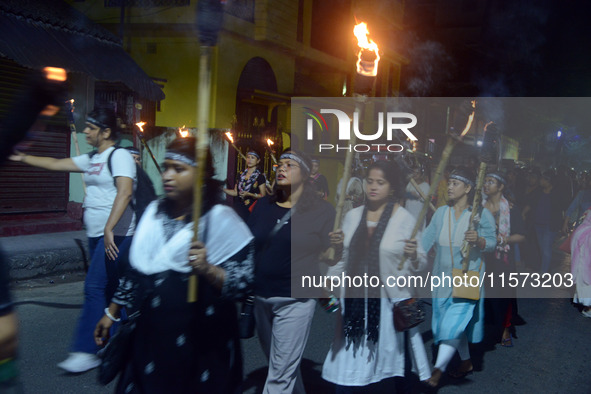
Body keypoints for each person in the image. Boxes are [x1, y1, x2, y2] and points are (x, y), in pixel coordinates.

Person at [95, 137, 253, 393]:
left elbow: (245, 283)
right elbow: (137, 269)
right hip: (152, 337)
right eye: (166, 167)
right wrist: (111, 312)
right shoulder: (153, 213)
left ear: (201, 175)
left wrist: (209, 270)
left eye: (179, 169)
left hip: (202, 342)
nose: (167, 175)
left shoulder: (221, 220)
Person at [9, 106, 136, 373]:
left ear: (106, 131)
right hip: (96, 234)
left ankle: (86, 350)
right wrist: (23, 158)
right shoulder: (92, 158)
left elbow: (125, 193)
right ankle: (125, 334)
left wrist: (110, 227)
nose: (86, 131)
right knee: (112, 289)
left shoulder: (120, 155)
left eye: (91, 127)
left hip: (116, 234)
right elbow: (56, 164)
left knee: (93, 287)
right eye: (86, 127)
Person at [321, 160, 432, 392]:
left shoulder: (404, 220)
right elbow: (344, 257)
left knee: (379, 373)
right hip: (352, 303)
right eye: (369, 181)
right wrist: (330, 280)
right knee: (345, 368)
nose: (373, 187)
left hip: (385, 306)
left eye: (380, 182)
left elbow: (421, 264)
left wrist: (413, 256)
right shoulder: (352, 216)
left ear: (391, 187)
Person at [248, 149, 338, 394]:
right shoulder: (263, 206)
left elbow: (330, 258)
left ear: (306, 174)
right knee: (282, 366)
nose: (281, 168)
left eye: (290, 165)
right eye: (279, 164)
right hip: (261, 297)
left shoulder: (323, 211)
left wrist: (336, 247)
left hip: (295, 300)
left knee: (278, 377)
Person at [408, 167, 496, 387]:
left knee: (453, 324)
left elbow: (492, 243)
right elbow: (425, 242)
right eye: (449, 183)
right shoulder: (440, 213)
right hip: (441, 277)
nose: (449, 186)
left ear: (468, 188)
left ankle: (436, 374)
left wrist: (479, 240)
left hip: (468, 274)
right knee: (444, 326)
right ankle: (466, 361)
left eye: (455, 183)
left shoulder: (480, 214)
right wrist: (411, 253)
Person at [482, 172, 525, 347]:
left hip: (503, 259)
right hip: (483, 257)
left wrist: (502, 240)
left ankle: (506, 328)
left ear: (501, 187)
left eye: (491, 182)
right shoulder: (479, 207)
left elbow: (522, 236)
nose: (486, 184)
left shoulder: (511, 209)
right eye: (485, 181)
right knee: (484, 294)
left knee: (504, 296)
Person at [522, 170, 566, 273]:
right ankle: (546, 267)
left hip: (550, 225)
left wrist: (562, 223)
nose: (540, 181)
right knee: (543, 249)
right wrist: (523, 213)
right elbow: (531, 204)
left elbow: (562, 208)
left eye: (542, 179)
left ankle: (543, 272)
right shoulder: (538, 192)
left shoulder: (556, 193)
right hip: (538, 224)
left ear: (548, 181)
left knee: (546, 249)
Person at [224, 151, 266, 221]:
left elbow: (263, 195)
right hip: (238, 207)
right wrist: (221, 189)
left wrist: (249, 194)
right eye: (248, 157)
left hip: (250, 210)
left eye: (252, 158)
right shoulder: (241, 174)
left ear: (258, 161)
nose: (249, 160)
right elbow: (235, 192)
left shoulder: (260, 177)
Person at [570, 208, 591, 317]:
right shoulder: (587, 232)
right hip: (585, 268)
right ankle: (588, 309)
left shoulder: (581, 230)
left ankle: (588, 308)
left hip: (581, 268)